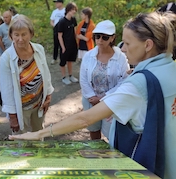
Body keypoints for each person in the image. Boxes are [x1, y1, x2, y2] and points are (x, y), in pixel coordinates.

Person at [9, 11, 176, 179]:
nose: (123, 49)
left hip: (147, 165)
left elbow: (85, 119)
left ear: (147, 45)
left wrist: (39, 134)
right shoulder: (171, 68)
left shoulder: (139, 84)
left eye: (127, 43)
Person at [0, 15, 54, 134]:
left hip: (38, 102)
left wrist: (48, 96)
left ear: (31, 34)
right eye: (16, 35)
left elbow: (45, 73)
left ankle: (40, 152)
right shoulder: (6, 58)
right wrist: (13, 117)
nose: (20, 39)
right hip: (21, 108)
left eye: (24, 34)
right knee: (22, 140)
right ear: (11, 36)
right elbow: (6, 90)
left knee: (39, 133)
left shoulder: (39, 49)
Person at [80, 20, 129, 140]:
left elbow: (124, 81)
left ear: (112, 38)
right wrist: (91, 97)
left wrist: (104, 98)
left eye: (105, 37)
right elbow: (83, 78)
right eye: (97, 36)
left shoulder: (121, 58)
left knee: (110, 133)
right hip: (90, 101)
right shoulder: (89, 55)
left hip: (111, 102)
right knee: (93, 129)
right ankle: (96, 154)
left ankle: (110, 156)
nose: (100, 40)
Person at [57, 2, 79, 85]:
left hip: (72, 44)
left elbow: (75, 32)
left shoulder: (73, 20)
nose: (74, 11)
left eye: (75, 10)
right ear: (68, 10)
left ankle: (70, 76)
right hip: (65, 45)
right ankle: (64, 77)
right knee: (63, 62)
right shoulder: (62, 21)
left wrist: (77, 42)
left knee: (70, 60)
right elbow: (59, 35)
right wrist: (63, 47)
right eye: (72, 9)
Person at [50, 0, 65, 65]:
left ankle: (63, 58)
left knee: (63, 44)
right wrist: (54, 26)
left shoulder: (65, 11)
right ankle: (54, 58)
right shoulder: (54, 12)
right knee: (56, 44)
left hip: (64, 30)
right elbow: (51, 21)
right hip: (56, 29)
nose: (56, 4)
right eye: (55, 3)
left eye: (57, 2)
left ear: (61, 3)